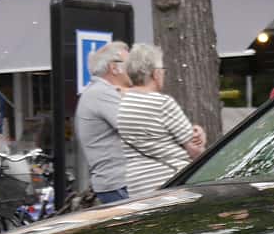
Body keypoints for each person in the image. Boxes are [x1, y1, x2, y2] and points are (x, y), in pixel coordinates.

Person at [117, 43, 207, 195]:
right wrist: (201, 138)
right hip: (170, 182)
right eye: (163, 69)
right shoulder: (162, 103)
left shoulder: (123, 104)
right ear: (155, 73)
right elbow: (195, 150)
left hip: (137, 186)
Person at [75, 40, 133, 204]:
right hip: (120, 185)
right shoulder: (101, 93)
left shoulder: (103, 92)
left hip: (121, 183)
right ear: (114, 68)